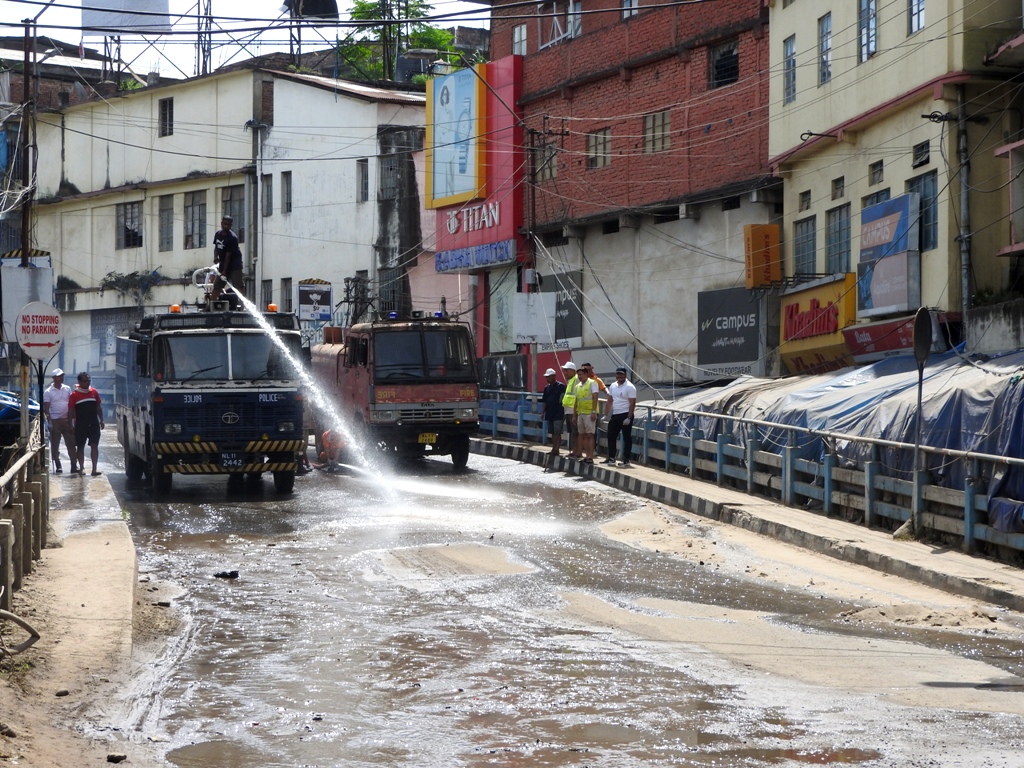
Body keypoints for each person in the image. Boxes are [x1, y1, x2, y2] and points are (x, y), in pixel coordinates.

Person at [68, 372, 104, 476]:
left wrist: (101, 420)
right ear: (79, 382)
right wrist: (70, 424)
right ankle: (82, 468)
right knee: (80, 447)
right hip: (80, 424)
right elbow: (70, 410)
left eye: (88, 381)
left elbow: (98, 407)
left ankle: (94, 469)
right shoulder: (74, 395)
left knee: (94, 445)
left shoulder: (94, 392)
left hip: (93, 423)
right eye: (85, 381)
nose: (87, 383)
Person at [43, 368, 78, 474]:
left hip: (67, 419)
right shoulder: (48, 392)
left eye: (62, 376)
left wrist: (73, 419)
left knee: (71, 443)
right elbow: (47, 408)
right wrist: (49, 422)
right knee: (55, 444)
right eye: (59, 376)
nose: (61, 378)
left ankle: (73, 464)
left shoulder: (67, 389)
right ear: (54, 378)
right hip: (55, 420)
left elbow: (71, 405)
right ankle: (58, 464)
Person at [604, 366, 637, 468]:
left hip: (626, 413)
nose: (620, 376)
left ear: (625, 375)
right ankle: (612, 458)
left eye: (622, 374)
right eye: (618, 374)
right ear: (616, 375)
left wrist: (629, 417)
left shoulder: (630, 387)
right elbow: (610, 400)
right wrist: (605, 414)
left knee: (626, 437)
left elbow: (632, 403)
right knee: (611, 435)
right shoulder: (613, 386)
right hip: (616, 414)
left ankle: (626, 460)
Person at [211, 215, 243, 303]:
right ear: (221, 223)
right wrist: (215, 257)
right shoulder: (218, 234)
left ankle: (242, 306)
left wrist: (224, 271)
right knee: (217, 285)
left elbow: (228, 256)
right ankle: (210, 305)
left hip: (234, 265)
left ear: (231, 226)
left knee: (238, 285)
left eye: (229, 225)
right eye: (225, 224)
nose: (227, 226)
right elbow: (216, 247)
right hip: (223, 263)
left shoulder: (232, 238)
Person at [539, 368, 566, 471]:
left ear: (553, 376)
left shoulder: (561, 386)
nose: (547, 379)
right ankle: (554, 448)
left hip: (558, 412)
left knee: (557, 431)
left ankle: (557, 448)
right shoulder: (547, 388)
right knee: (552, 432)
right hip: (550, 412)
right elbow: (545, 401)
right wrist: (543, 412)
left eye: (548, 377)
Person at [572, 364, 600, 464]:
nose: (579, 376)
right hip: (581, 413)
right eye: (578, 375)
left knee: (590, 435)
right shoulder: (577, 386)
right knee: (582, 435)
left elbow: (595, 397)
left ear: (586, 374)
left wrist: (593, 412)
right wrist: (574, 415)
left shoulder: (592, 383)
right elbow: (576, 401)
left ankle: (590, 456)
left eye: (581, 374)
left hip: (589, 413)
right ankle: (586, 455)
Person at [559, 361, 580, 458]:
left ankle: (577, 452)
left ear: (572, 371)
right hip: (568, 409)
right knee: (572, 432)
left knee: (576, 432)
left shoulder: (576, 380)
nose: (565, 372)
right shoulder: (570, 381)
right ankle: (574, 451)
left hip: (573, 410)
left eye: (566, 370)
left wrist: (575, 412)